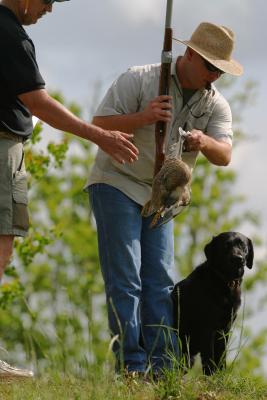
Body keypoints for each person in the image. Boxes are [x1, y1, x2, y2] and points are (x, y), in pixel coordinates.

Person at [85, 22, 243, 377]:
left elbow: (225, 155)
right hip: (117, 183)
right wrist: (144, 117)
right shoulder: (138, 79)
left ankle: (163, 367)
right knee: (127, 279)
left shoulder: (217, 105)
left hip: (164, 198)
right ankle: (132, 365)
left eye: (220, 70)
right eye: (210, 66)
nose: (215, 75)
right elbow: (98, 123)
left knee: (160, 281)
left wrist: (203, 142)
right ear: (189, 55)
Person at [0, 0, 138, 378]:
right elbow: (38, 102)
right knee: (0, 246)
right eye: (47, 1)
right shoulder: (10, 33)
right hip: (1, 148)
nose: (49, 9)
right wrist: (100, 135)